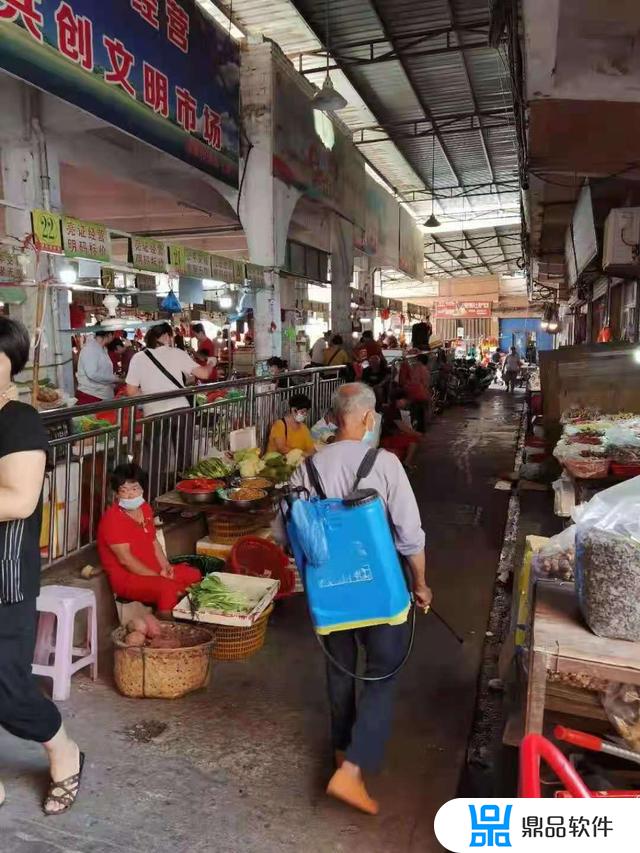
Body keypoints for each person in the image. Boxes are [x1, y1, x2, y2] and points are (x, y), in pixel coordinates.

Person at [283, 383, 431, 815]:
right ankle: (352, 770)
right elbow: (410, 535)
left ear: (333, 417)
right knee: (382, 674)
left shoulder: (305, 470)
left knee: (341, 673)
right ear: (368, 419)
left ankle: (340, 754)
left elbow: (288, 536)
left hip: (330, 597)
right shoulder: (385, 464)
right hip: (382, 593)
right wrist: (421, 584)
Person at [0, 317, 84, 816]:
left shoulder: (19, 419)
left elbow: (20, 498)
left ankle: (62, 747)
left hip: (4, 578)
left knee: (7, 687)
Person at [97, 464, 201, 617]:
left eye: (134, 489)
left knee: (194, 574)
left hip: (154, 570)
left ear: (142, 490)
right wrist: (158, 576)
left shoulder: (145, 508)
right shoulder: (112, 520)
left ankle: (186, 614)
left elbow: (153, 541)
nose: (130, 495)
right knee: (167, 589)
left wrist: (166, 567)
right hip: (128, 579)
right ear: (117, 494)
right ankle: (167, 627)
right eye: (123, 491)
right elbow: (126, 560)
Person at [125, 323, 210, 491]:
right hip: (181, 410)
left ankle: (154, 499)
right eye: (170, 336)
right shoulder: (177, 353)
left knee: (156, 461)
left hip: (155, 414)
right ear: (165, 336)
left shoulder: (138, 358)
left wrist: (150, 394)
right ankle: (186, 496)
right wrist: (211, 364)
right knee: (184, 458)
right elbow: (204, 374)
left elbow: (131, 391)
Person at [76, 329, 121, 404]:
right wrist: (115, 379)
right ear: (109, 335)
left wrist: (112, 383)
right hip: (91, 396)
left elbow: (102, 371)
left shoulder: (102, 348)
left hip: (101, 394)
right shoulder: (90, 349)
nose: (113, 338)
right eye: (113, 335)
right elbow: (92, 374)